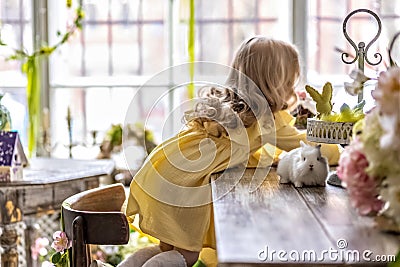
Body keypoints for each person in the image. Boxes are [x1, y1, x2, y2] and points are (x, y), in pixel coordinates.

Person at [118, 36, 341, 267]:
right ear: (278, 82)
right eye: (290, 82)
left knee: (166, 248)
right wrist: (344, 153)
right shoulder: (269, 119)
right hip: (190, 181)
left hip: (169, 168)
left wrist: (275, 158)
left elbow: (238, 150)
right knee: (187, 254)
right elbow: (309, 146)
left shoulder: (232, 108)